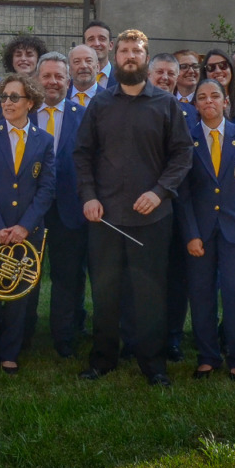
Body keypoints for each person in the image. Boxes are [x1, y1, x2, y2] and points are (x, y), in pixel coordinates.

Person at [74, 29, 193, 387]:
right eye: (124, 50)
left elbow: (182, 154)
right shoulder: (100, 103)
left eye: (136, 51)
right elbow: (82, 154)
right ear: (114, 55)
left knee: (150, 294)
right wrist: (89, 196)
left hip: (152, 217)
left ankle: (153, 364)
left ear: (146, 57)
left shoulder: (165, 103)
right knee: (106, 291)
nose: (129, 56)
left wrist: (160, 192)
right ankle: (103, 358)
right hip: (105, 217)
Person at [177, 78, 235, 382]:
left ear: (225, 101)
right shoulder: (186, 140)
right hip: (200, 232)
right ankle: (207, 356)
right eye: (201, 97)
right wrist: (190, 233)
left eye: (214, 96)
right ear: (195, 104)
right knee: (201, 294)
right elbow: (183, 194)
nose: (208, 101)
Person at [0, 73, 55, 374]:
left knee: (20, 293)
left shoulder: (44, 141)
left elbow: (47, 188)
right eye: (4, 97)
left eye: (14, 97)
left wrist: (25, 227)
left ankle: (10, 352)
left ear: (30, 103)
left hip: (27, 231)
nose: (7, 102)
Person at [35, 53, 88, 358]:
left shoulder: (84, 115)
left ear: (68, 82)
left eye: (59, 77)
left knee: (68, 276)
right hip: (29, 209)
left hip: (70, 208)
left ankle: (64, 336)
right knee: (27, 269)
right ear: (37, 79)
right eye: (47, 76)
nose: (53, 82)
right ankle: (23, 328)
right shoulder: (23, 112)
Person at [83, 20, 119, 90]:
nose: (96, 44)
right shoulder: (72, 82)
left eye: (102, 39)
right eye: (91, 39)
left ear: (111, 45)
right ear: (84, 45)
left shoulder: (122, 80)